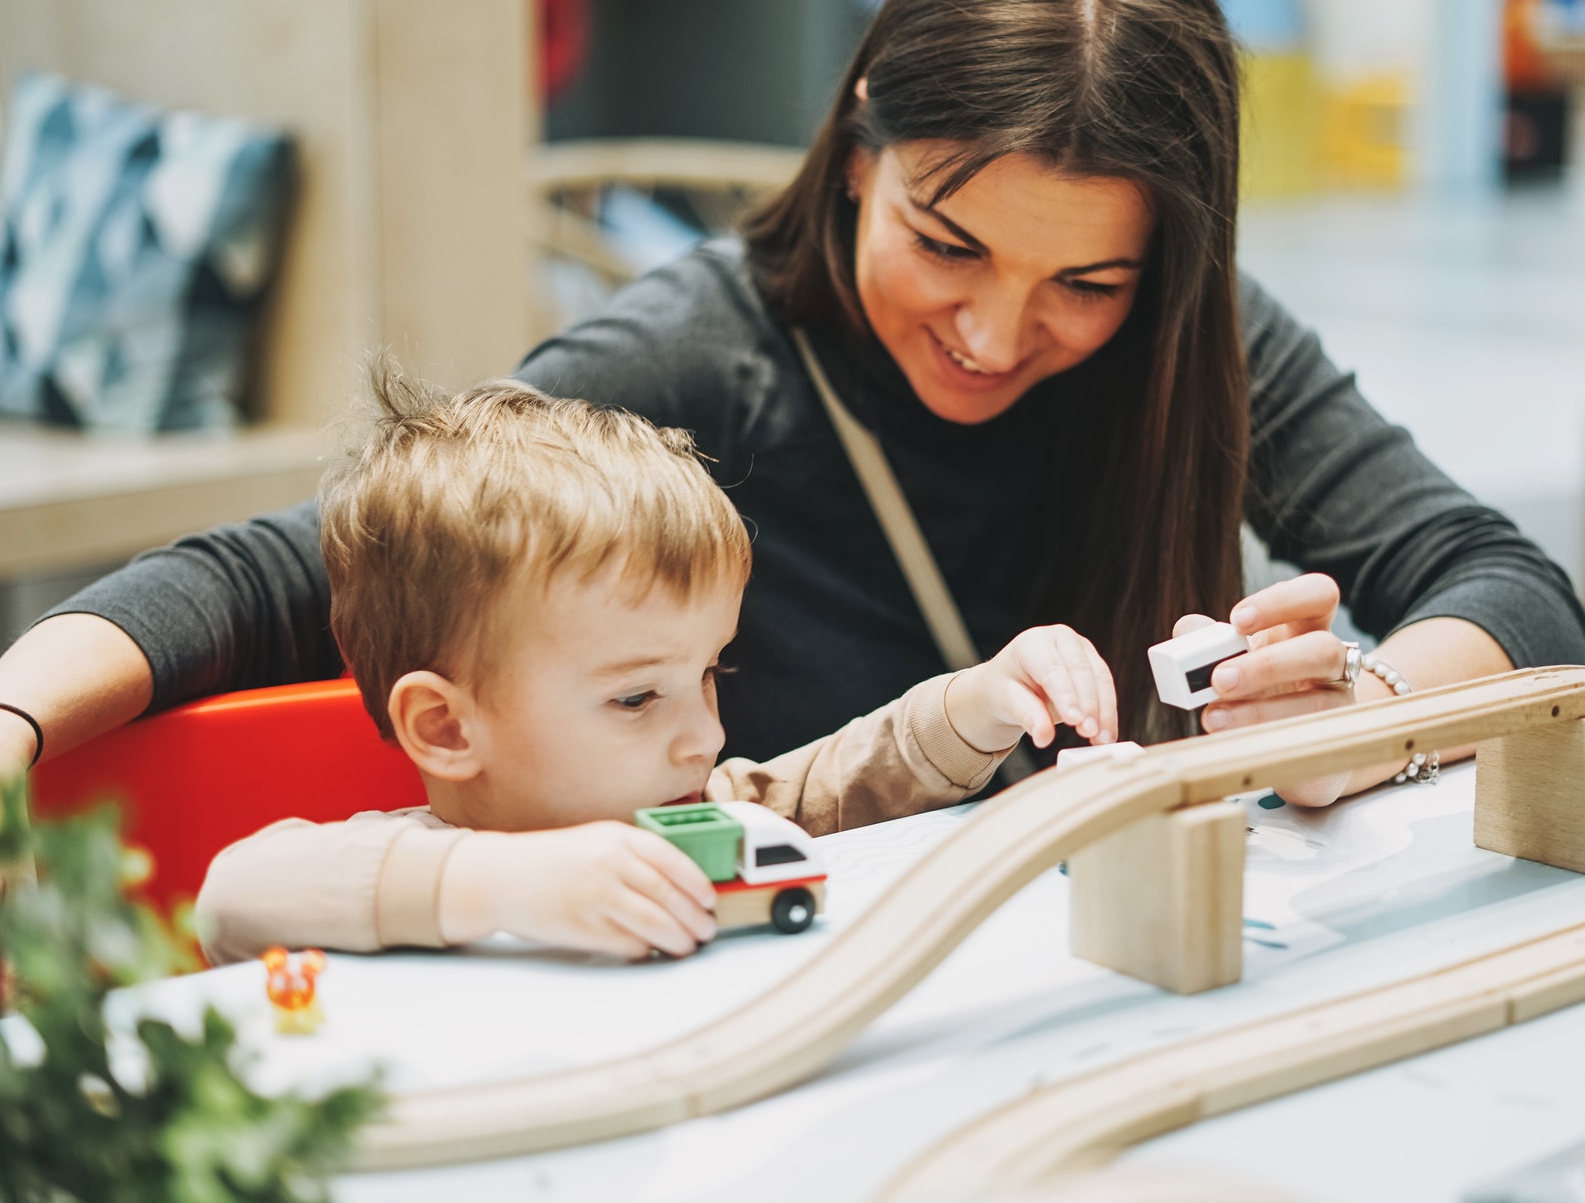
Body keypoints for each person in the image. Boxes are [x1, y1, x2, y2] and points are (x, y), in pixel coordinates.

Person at [0, 0, 1585, 932]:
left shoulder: (1191, 339)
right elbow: (284, 570)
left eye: (1087, 283)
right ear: (855, 146)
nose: (998, 331)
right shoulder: (698, 360)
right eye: (947, 240)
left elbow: (1502, 580)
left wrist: (1359, 701)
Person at [195, 372, 1118, 965]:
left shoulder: (700, 816)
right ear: (444, 726)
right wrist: (503, 886)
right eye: (637, 695)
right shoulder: (408, 861)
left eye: (710, 672)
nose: (706, 734)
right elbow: (234, 893)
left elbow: (841, 782)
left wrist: (978, 703)